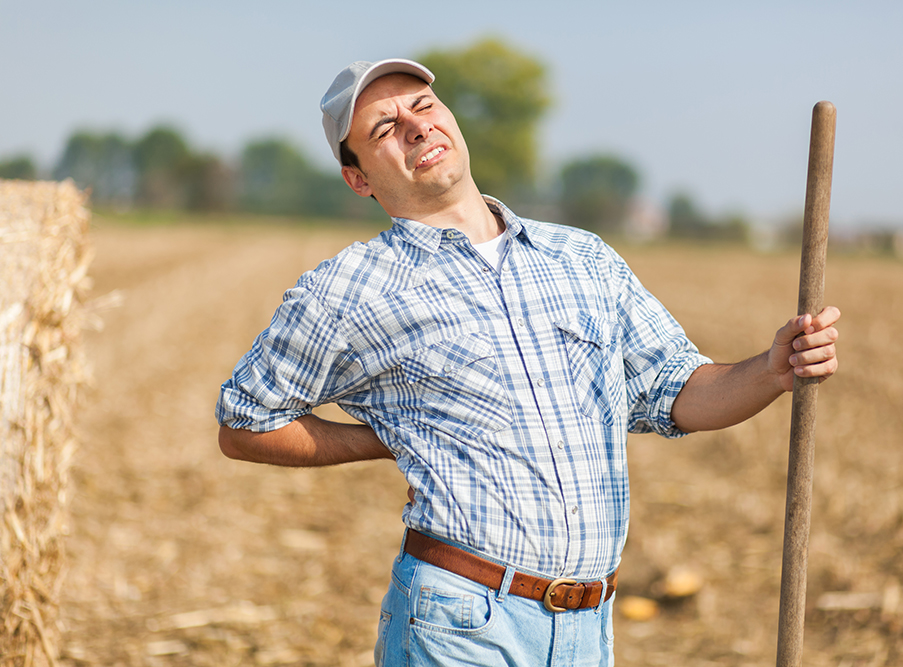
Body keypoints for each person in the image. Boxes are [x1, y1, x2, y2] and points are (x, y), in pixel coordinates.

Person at [216, 58, 840, 667]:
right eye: (383, 128)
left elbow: (678, 389)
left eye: (425, 105)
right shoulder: (349, 291)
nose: (415, 126)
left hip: (589, 625)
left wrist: (772, 370)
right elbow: (244, 421)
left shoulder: (582, 258)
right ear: (359, 179)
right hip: (458, 625)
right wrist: (382, 442)